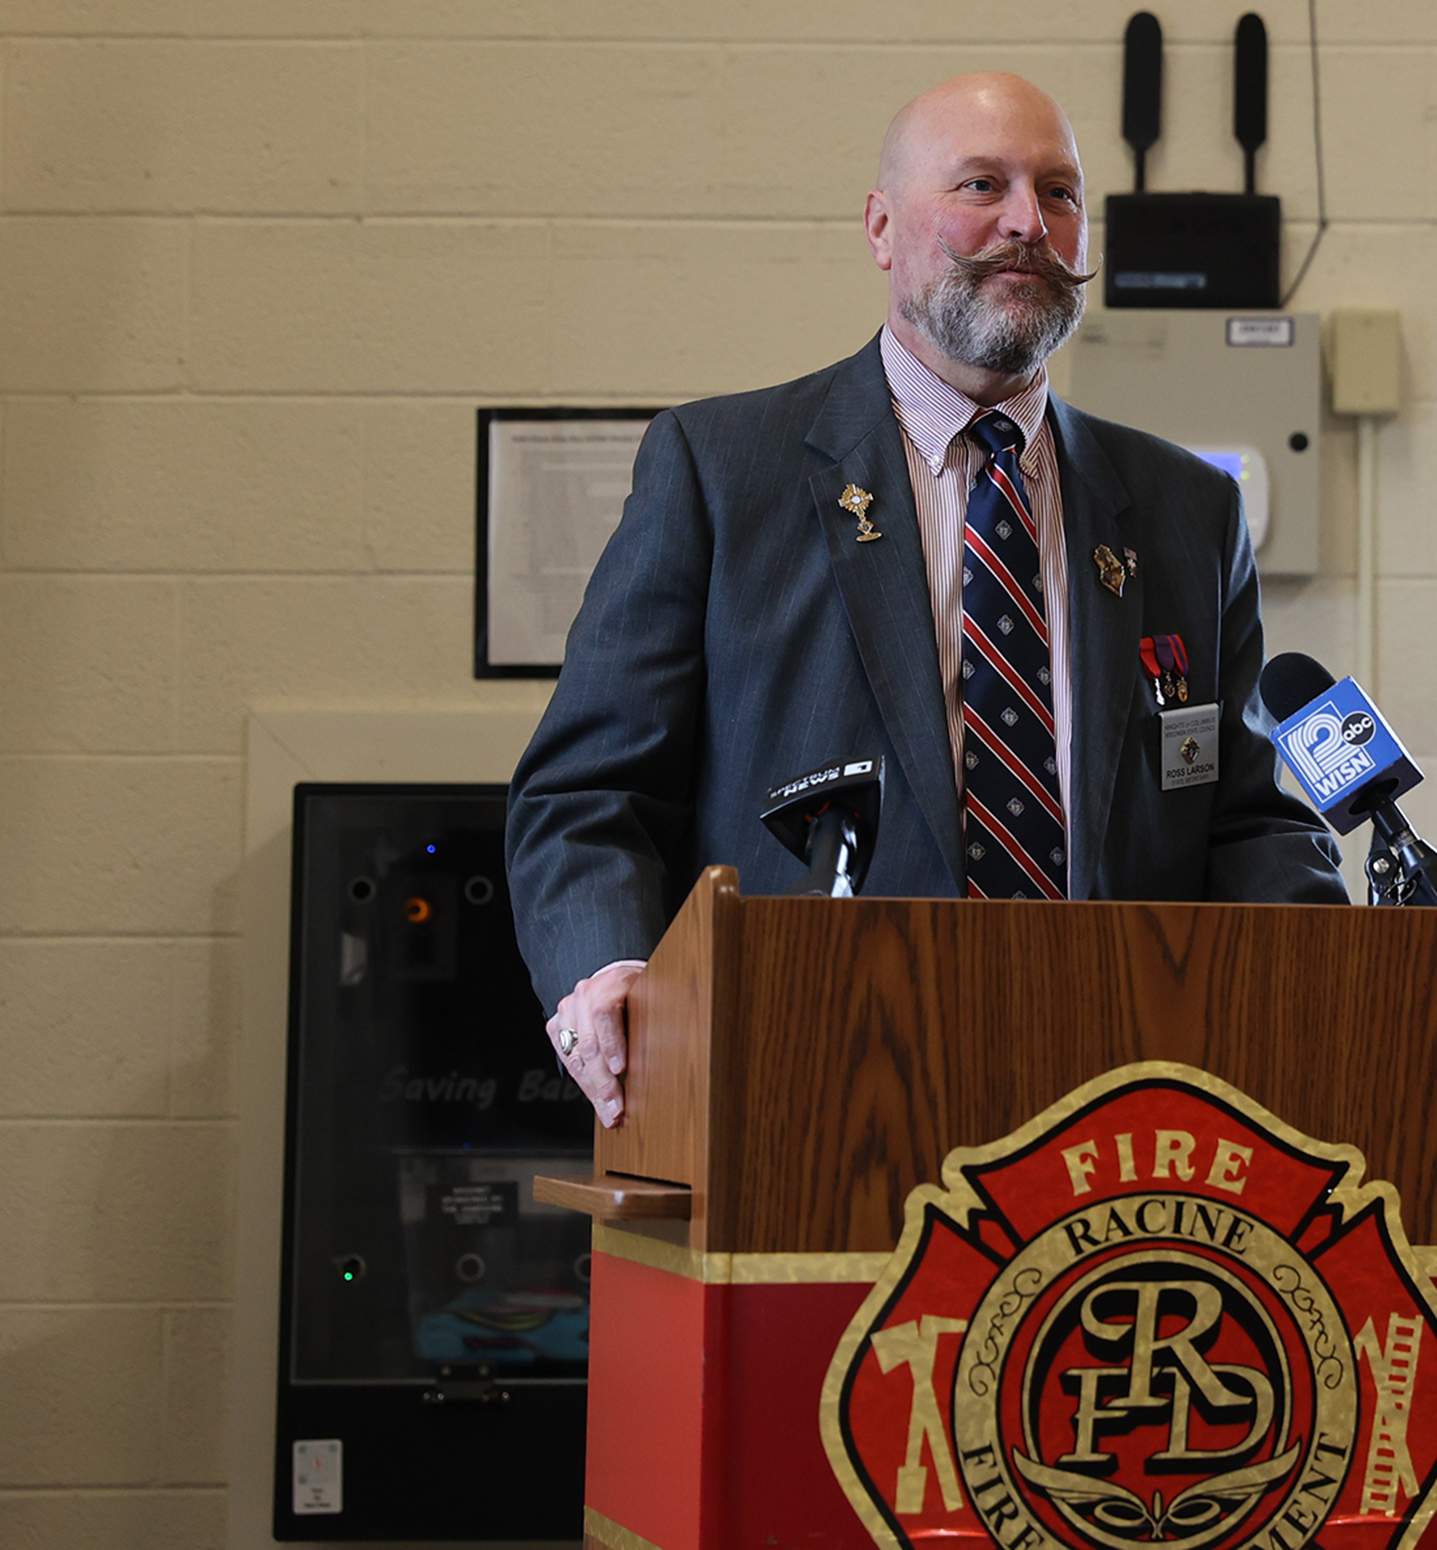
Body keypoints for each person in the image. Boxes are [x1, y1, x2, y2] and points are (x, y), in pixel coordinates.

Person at [506, 72, 1345, 1129]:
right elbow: (586, 796)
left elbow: (1244, 819)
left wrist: (1331, 997)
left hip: (1118, 1119)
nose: (1025, 223)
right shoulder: (723, 471)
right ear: (880, 227)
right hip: (801, 1096)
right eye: (981, 185)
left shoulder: (1185, 510)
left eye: (1058, 193)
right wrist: (611, 972)